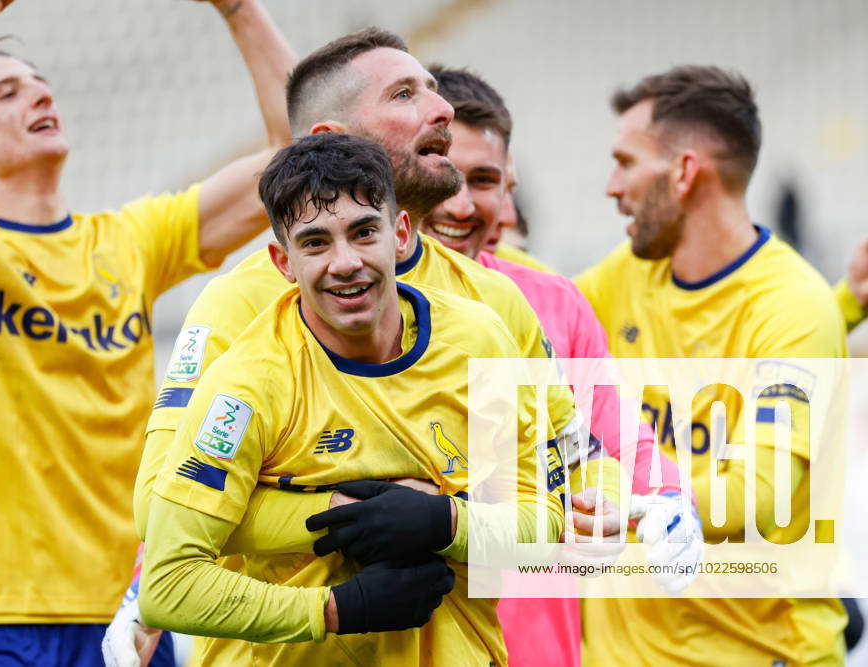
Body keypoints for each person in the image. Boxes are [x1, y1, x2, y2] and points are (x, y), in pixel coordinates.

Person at [0, 0, 294, 663]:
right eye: (6, 92)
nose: (39, 92)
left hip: (135, 612)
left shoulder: (131, 240)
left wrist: (239, 8)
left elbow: (299, 158)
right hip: (3, 621)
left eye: (39, 82)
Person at [140, 131, 567, 665]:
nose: (344, 262)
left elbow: (544, 523)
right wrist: (337, 609)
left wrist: (445, 521)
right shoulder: (246, 386)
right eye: (316, 242)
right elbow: (167, 585)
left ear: (402, 234)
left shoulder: (480, 339)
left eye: (364, 232)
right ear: (283, 262)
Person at [416, 64, 703, 666]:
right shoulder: (346, 308)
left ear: (510, 188)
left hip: (538, 649)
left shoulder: (552, 302)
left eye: (486, 179)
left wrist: (672, 499)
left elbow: (618, 435)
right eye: (446, 176)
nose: (464, 204)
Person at [576, 65, 848, 665]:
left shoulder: (789, 306)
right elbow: (528, 318)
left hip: (755, 652)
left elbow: (759, 495)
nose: (611, 186)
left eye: (626, 161)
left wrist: (626, 506)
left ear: (683, 171)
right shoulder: (622, 277)